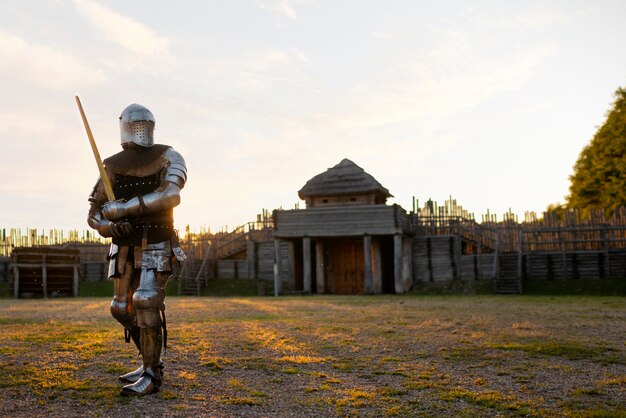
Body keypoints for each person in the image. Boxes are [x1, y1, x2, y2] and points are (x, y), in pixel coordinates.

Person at [87, 103, 187, 396]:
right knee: (121, 308)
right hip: (123, 247)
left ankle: (153, 374)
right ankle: (147, 360)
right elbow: (94, 211)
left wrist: (123, 208)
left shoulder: (169, 156)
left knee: (145, 300)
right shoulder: (112, 164)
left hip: (156, 241)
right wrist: (108, 226)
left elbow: (171, 194)